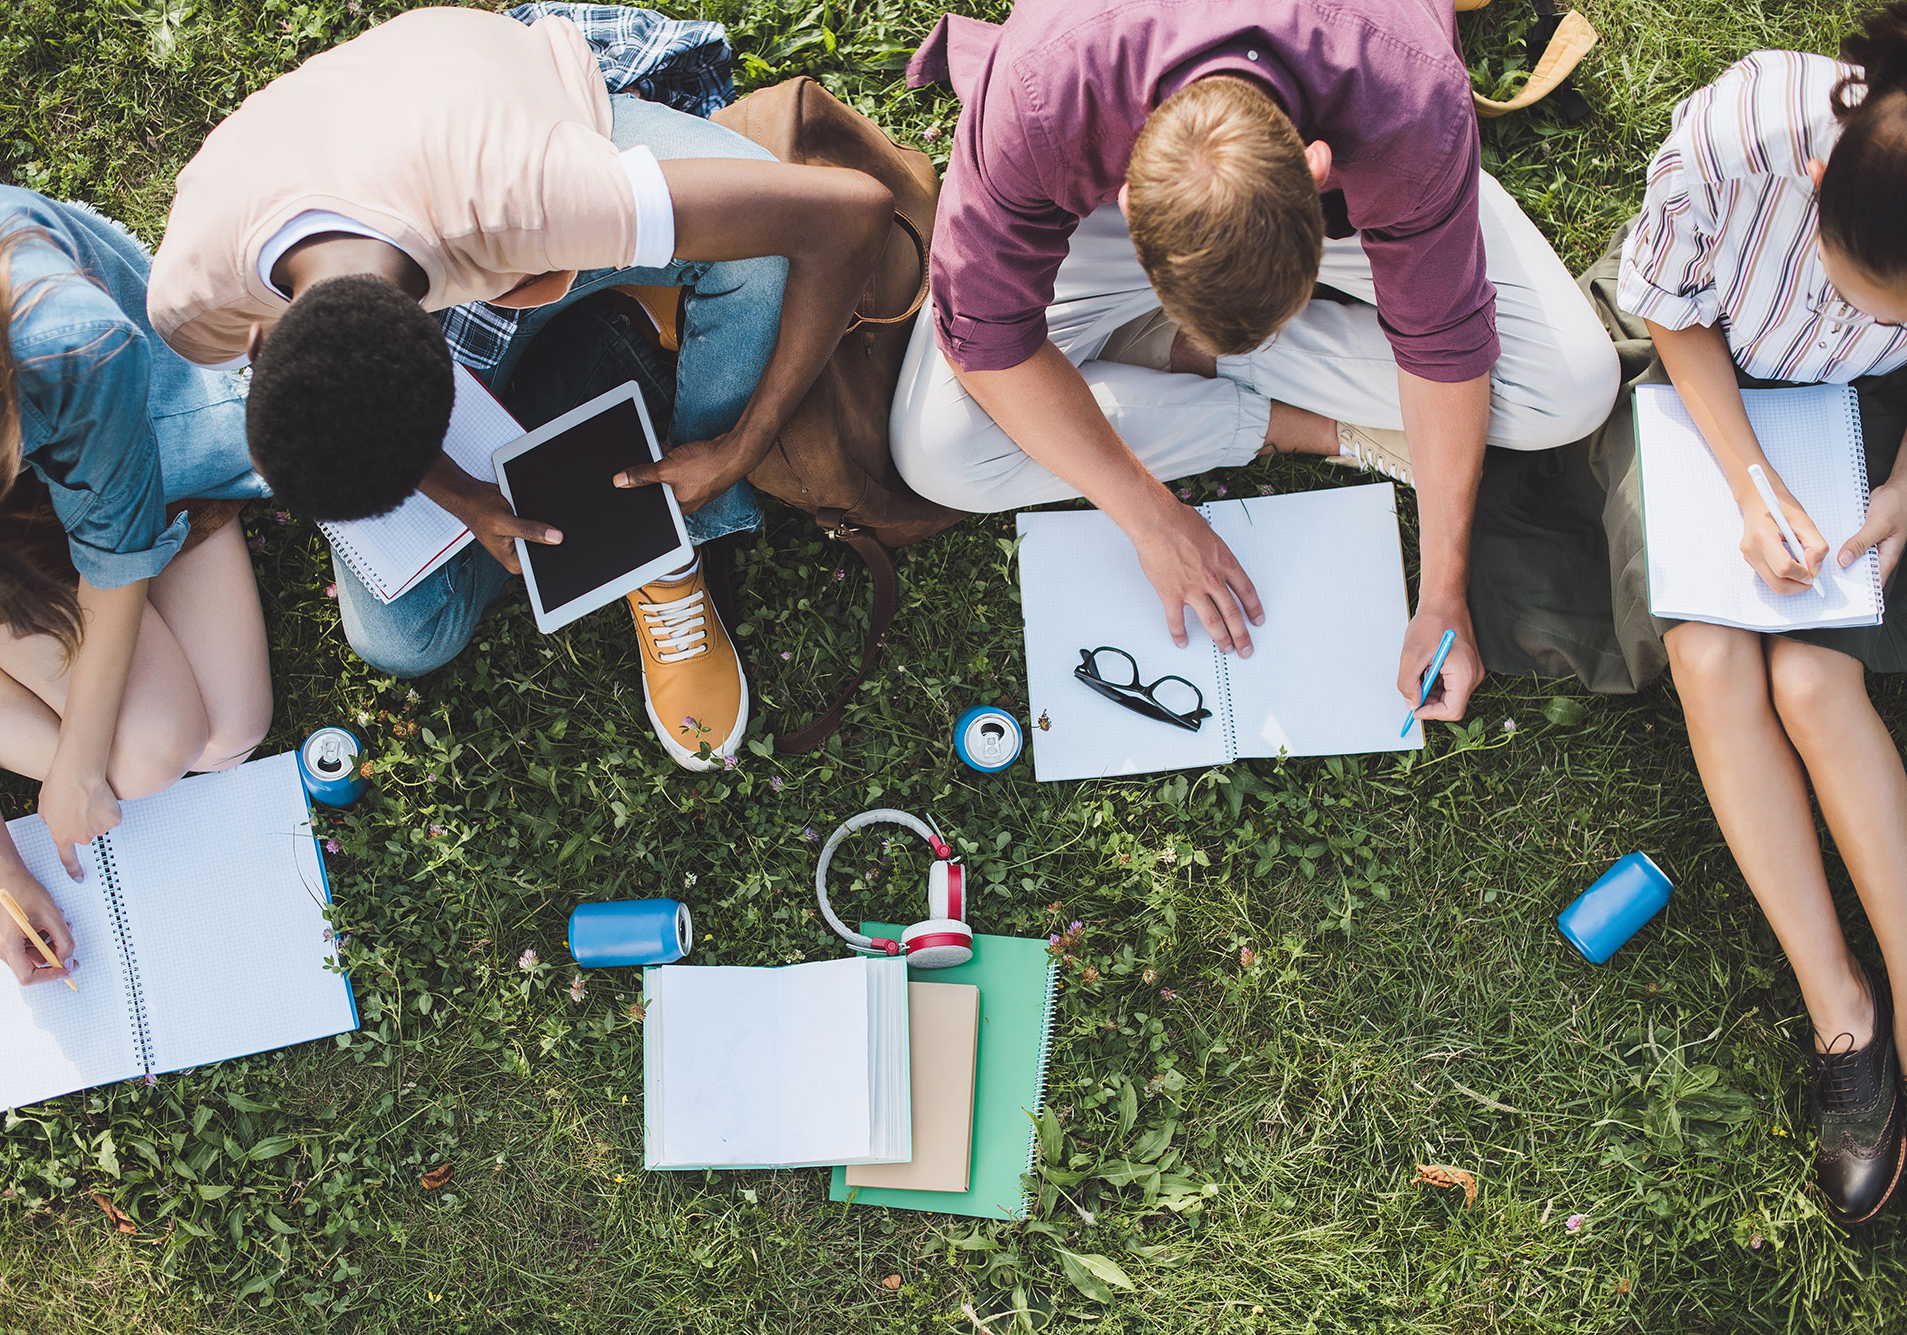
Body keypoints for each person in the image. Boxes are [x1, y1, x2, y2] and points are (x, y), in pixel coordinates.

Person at [147, 6, 891, 771]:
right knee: (400, 636)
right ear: (258, 338)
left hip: (518, 118)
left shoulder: (537, 198)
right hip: (393, 165)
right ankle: (621, 355)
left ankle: (678, 537)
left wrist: (744, 442)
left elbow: (851, 213)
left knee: (757, 268)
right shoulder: (192, 300)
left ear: (451, 368)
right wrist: (461, 495)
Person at [890, 0, 1619, 725]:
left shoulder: (1412, 99)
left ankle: (1164, 355)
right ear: (1126, 195)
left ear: (1316, 168)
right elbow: (982, 334)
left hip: (1373, 149)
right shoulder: (1042, 88)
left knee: (1571, 390)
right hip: (1109, 181)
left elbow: (1446, 342)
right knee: (941, 452)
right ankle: (1262, 399)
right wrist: (1152, 520)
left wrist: (1441, 596)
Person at [1613, 5, 1907, 1224]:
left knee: (1812, 682)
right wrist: (1746, 480)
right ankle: (1840, 1014)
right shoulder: (1736, 136)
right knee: (1711, 656)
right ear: (1818, 181)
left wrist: (1902, 489)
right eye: (1864, 290)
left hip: (1874, 431)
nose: (1873, 315)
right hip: (1716, 392)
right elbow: (1668, 309)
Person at [0, 185, 272, 986]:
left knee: (228, 733)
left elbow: (116, 549)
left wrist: (75, 764)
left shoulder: (72, 350)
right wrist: (1, 869)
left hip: (102, 419)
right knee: (154, 755)